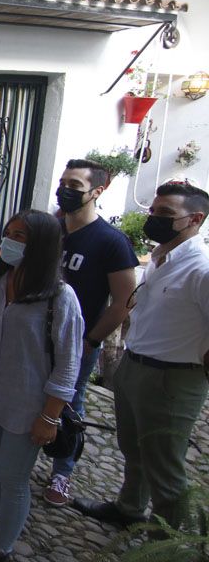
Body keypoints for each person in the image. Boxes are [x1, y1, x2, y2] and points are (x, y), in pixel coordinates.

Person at [0, 209, 83, 562]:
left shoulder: (60, 298)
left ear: (41, 245)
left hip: (29, 405)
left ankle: (0, 554)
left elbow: (68, 363)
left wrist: (50, 416)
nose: (10, 241)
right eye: (9, 233)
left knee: (14, 478)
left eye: (21, 236)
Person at [74, 182, 209, 530]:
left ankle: (163, 557)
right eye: (153, 211)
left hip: (172, 378)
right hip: (136, 365)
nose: (154, 219)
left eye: (165, 214)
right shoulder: (162, 257)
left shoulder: (201, 270)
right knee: (133, 449)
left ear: (195, 219)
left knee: (165, 470)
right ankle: (130, 508)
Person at [43, 160, 138, 507]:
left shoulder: (111, 242)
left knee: (69, 404)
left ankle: (61, 472)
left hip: (78, 342)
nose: (65, 189)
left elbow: (124, 301)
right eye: (63, 182)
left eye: (75, 185)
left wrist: (91, 340)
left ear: (97, 192)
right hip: (38, 334)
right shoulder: (51, 229)